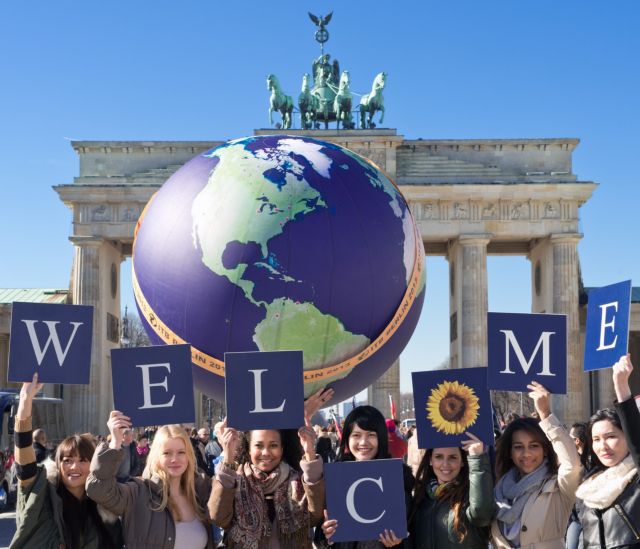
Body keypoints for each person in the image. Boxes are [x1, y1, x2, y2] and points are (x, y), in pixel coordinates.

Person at [10, 374, 122, 549]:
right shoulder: (42, 495)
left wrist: (116, 441)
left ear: (93, 466)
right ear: (58, 464)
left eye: (83, 460)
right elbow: (24, 462)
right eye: (67, 460)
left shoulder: (104, 509)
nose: (74, 466)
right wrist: (25, 401)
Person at [86, 411, 215, 548]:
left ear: (189, 456)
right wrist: (115, 443)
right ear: (156, 456)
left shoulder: (199, 492)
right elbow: (98, 489)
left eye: (181, 452)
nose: (174, 459)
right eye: (167, 453)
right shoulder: (138, 492)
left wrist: (228, 456)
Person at [208, 416, 325, 548]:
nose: (266, 452)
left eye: (273, 445)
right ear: (249, 449)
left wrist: (310, 453)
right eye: (258, 445)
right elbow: (218, 518)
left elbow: (315, 517)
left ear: (282, 449)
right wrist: (228, 456)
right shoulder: (233, 480)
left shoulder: (298, 480)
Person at [491, 381, 582, 548]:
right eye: (518, 447)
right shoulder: (498, 489)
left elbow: (572, 465)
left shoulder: (558, 486)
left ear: (545, 450)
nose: (526, 454)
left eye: (534, 446)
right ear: (510, 452)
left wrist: (545, 414)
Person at [319, 405, 415, 548]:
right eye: (356, 435)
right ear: (347, 438)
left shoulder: (398, 480)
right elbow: (320, 539)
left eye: (371, 435)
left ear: (381, 438)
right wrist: (327, 535)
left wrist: (396, 544)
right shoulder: (336, 479)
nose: (363, 442)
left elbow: (411, 535)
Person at [576, 354, 640, 548]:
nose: (602, 446)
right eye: (596, 439)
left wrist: (621, 386)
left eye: (611, 436)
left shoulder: (636, 481)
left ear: (627, 437)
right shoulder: (587, 488)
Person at [409, 432, 494, 548]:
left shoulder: (471, 494)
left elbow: (482, 515)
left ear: (462, 461)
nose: (445, 464)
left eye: (453, 457)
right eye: (438, 457)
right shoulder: (420, 497)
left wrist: (477, 458)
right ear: (430, 460)